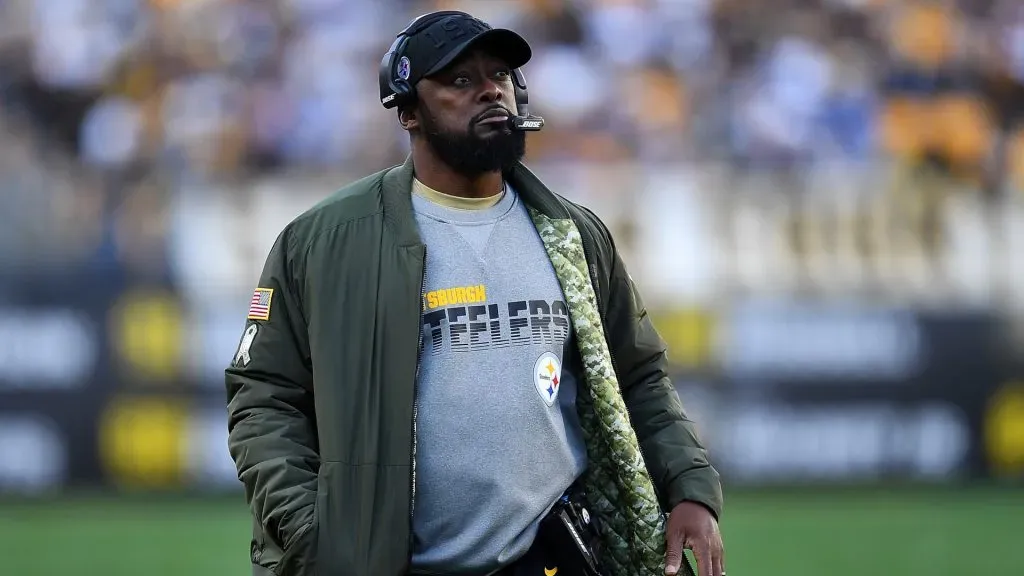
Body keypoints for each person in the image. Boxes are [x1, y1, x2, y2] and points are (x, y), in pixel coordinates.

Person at [226, 10, 725, 576]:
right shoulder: (323, 241)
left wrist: (688, 486)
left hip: (548, 558)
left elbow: (639, 377)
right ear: (409, 110)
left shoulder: (572, 234)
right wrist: (312, 529)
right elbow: (263, 395)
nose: (491, 90)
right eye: (460, 80)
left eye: (501, 76)